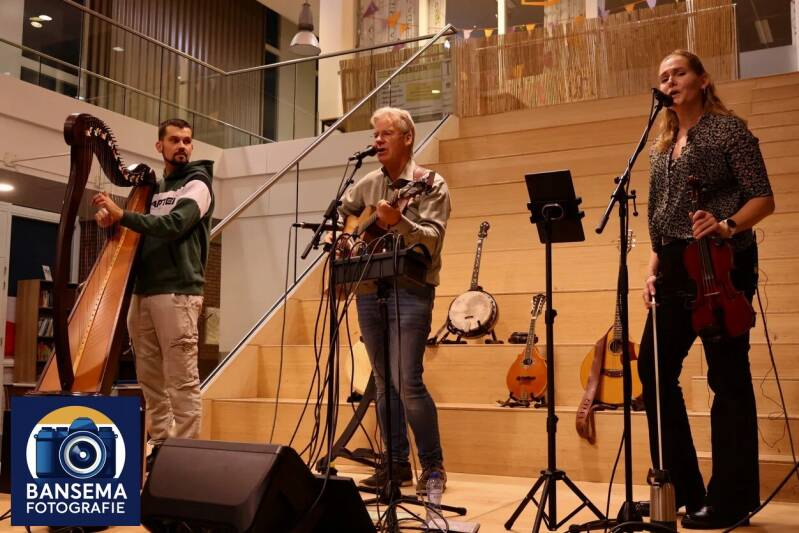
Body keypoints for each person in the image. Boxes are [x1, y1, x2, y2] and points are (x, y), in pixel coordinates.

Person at [638, 50, 775, 529]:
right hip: (674, 265)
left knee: (727, 378)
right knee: (653, 372)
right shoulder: (660, 145)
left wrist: (726, 225)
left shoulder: (728, 130)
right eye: (663, 76)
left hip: (720, 262)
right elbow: (658, 216)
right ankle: (682, 487)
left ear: (701, 79)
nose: (669, 81)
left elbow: (763, 195)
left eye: (678, 73)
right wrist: (654, 265)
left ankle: (732, 497)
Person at [338, 106, 451, 493]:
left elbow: (433, 238)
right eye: (375, 135)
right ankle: (396, 465)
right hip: (369, 289)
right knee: (384, 381)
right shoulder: (368, 182)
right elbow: (346, 215)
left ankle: (433, 468)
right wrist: (344, 237)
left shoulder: (429, 183)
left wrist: (397, 220)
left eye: (386, 134)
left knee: (407, 381)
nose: (377, 141)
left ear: (407, 139)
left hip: (412, 289)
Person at [93, 118, 215, 470]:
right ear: (159, 146)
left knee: (181, 380)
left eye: (187, 141)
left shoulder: (198, 183)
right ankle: (160, 448)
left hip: (178, 292)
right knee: (150, 380)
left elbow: (174, 226)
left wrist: (125, 215)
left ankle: (185, 459)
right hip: (143, 293)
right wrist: (114, 220)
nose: (182, 146)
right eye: (175, 140)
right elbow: (140, 233)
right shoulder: (154, 188)